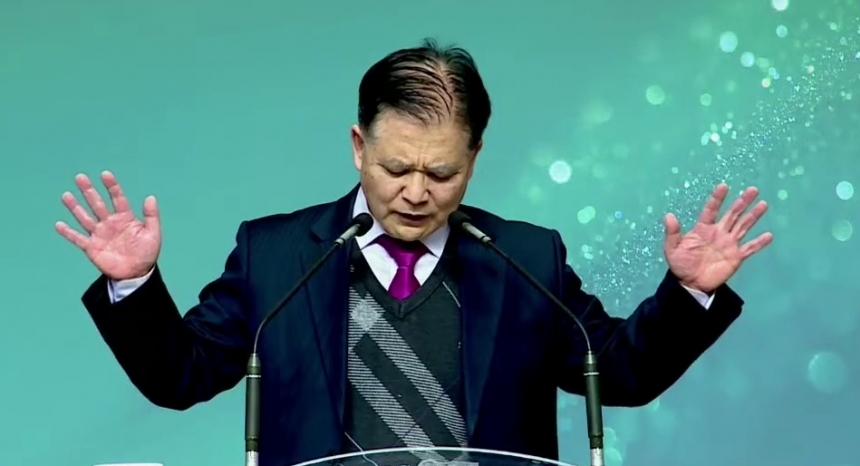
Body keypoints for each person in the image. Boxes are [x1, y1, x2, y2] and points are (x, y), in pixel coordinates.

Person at [56, 39, 773, 466]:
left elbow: (613, 371)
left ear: (476, 157)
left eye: (443, 173)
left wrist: (690, 294)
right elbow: (181, 376)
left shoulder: (526, 258)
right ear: (358, 145)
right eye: (396, 168)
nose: (416, 193)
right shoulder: (274, 254)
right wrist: (135, 284)